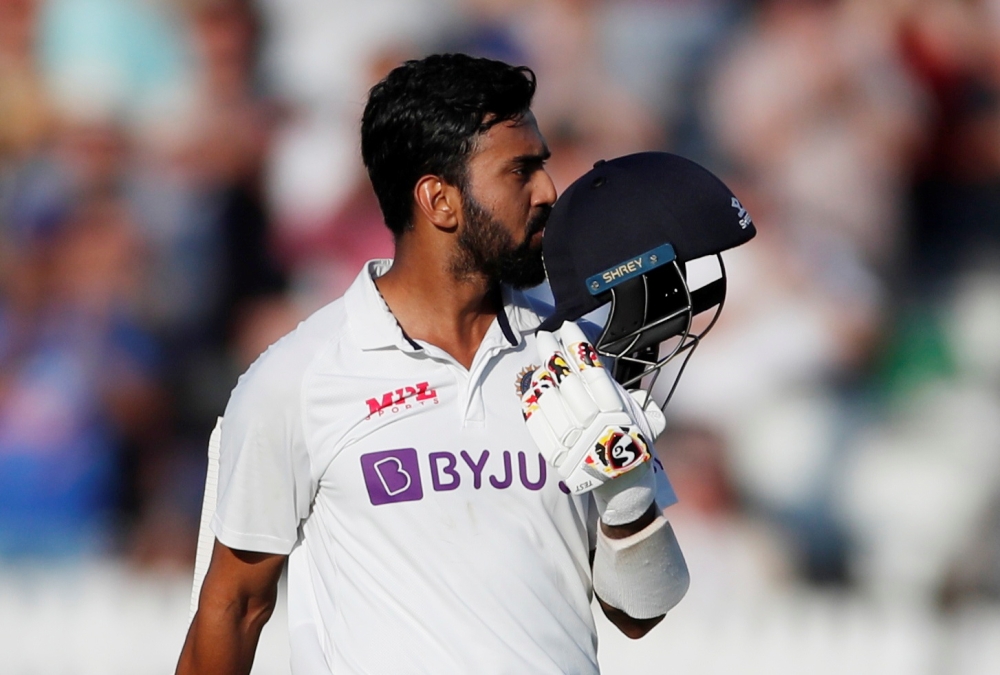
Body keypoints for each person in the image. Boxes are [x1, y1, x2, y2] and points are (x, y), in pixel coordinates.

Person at [176, 53, 687, 675]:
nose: (549, 191)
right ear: (439, 200)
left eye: (543, 166)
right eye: (520, 171)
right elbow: (233, 607)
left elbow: (640, 614)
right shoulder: (300, 378)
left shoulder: (576, 354)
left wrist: (625, 495)